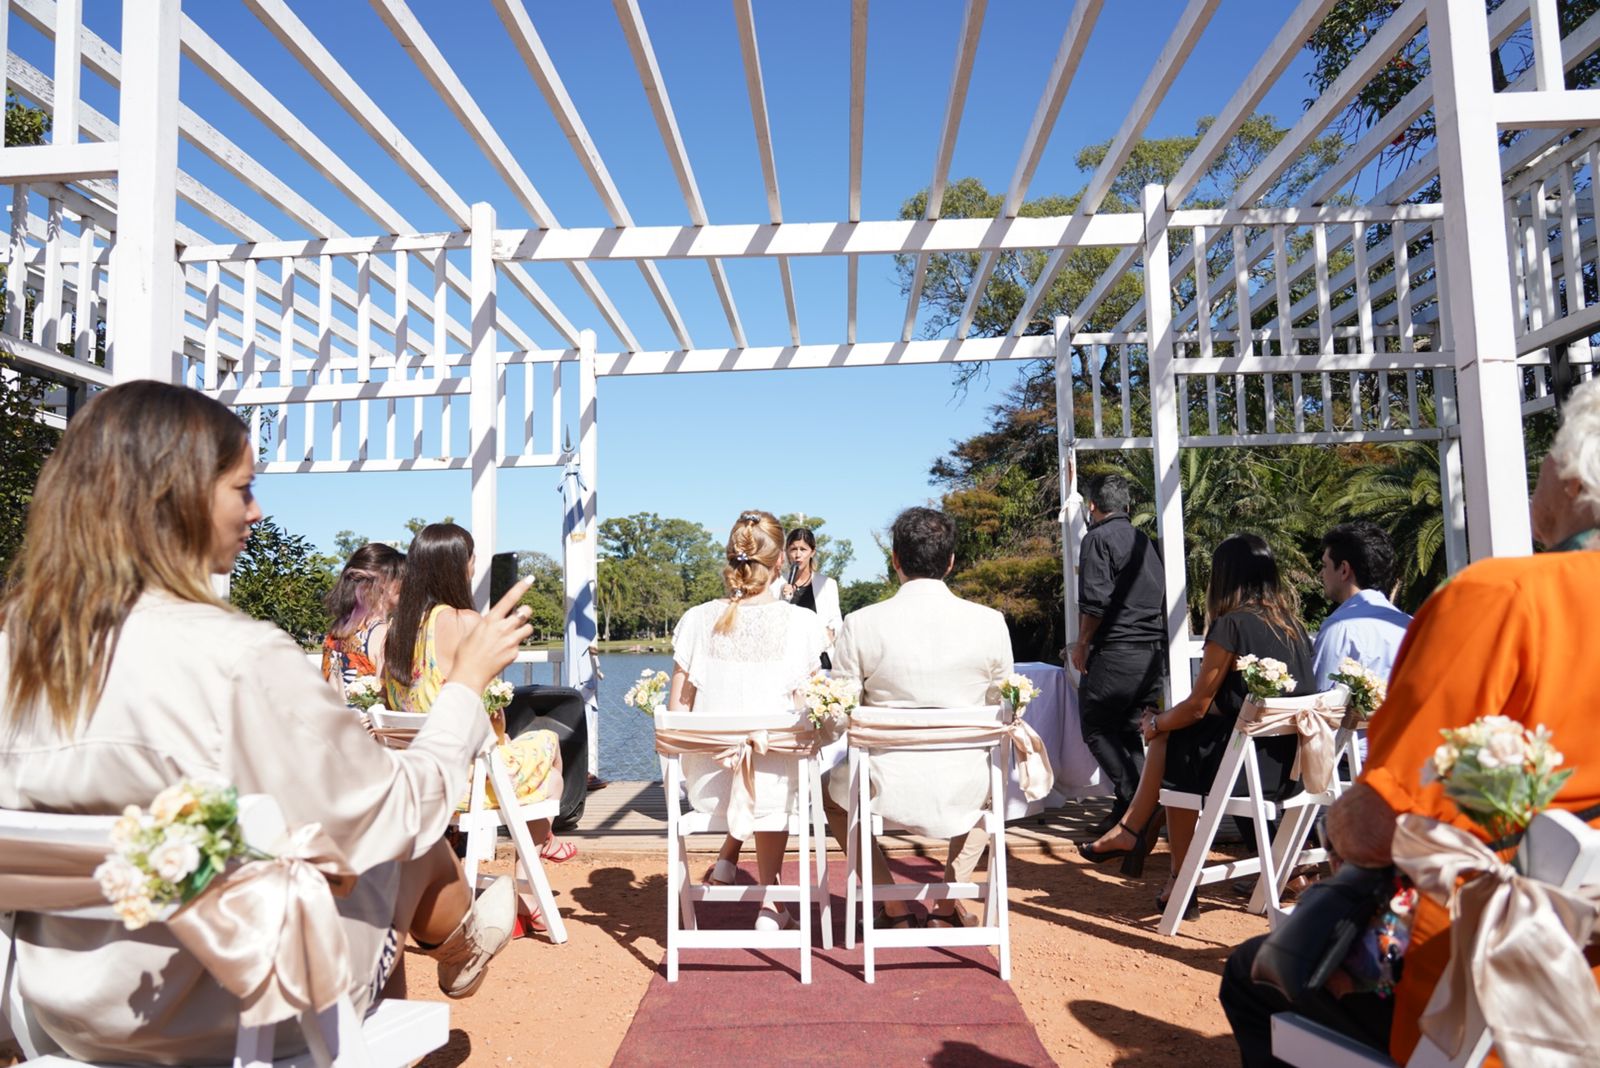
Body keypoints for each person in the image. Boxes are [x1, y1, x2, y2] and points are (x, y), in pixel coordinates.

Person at [0, 381, 531, 1063]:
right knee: (392, 845)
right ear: (178, 497)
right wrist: (465, 685)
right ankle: (456, 934)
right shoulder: (236, 657)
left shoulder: (18, 648)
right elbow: (396, 813)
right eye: (243, 489)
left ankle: (458, 933)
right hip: (227, 1013)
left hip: (58, 1006)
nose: (257, 511)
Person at [1220, 377, 1600, 1067]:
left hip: (1476, 991)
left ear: (1574, 480)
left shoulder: (1505, 597)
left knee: (1251, 977)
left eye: (1546, 456)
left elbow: (1378, 828)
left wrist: (1334, 830)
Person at [1078, 534, 1314, 919]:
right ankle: (1138, 835)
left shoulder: (1231, 626)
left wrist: (1155, 722)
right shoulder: (1292, 627)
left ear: (1224, 577)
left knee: (1173, 739)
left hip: (1250, 772)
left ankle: (1169, 869)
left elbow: (1197, 707)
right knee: (1176, 737)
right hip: (1292, 765)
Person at [825, 506, 1015, 928]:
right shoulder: (989, 623)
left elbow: (839, 715)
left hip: (885, 784)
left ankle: (892, 906)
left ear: (894, 560)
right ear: (950, 562)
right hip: (966, 782)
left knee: (829, 795)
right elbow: (1003, 708)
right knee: (995, 780)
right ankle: (947, 905)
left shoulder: (861, 624)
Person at [384, 523, 575, 869]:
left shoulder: (397, 630)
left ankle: (538, 858)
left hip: (415, 777)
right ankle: (528, 879)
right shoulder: (465, 622)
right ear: (460, 566)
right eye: (471, 560)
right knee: (550, 753)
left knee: (543, 772)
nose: (473, 567)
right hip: (462, 780)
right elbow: (490, 716)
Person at [668, 510, 825, 930]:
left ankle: (732, 864)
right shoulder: (802, 624)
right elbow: (806, 714)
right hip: (773, 787)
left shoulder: (696, 620)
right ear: (780, 564)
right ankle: (772, 903)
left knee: (764, 766)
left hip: (708, 786)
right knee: (775, 771)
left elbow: (676, 714)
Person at [1064, 474, 1168, 834]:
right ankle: (1137, 806)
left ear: (1093, 507)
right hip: (1152, 652)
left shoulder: (1097, 539)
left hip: (1117, 650)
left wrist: (1082, 644)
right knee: (1128, 730)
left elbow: (1094, 601)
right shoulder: (1145, 540)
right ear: (1126, 506)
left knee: (1095, 724)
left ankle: (1136, 800)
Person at [1309, 521, 1411, 689]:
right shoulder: (1410, 625)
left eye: (1325, 565)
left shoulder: (1340, 628)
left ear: (1344, 569)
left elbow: (1322, 705)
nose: (1321, 574)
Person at [321, 541, 406, 700]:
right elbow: (387, 701)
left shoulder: (337, 632)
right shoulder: (382, 633)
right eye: (400, 577)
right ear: (382, 583)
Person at [775, 526, 843, 669]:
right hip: (787, 660)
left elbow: (837, 621)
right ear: (786, 552)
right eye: (793, 549)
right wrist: (783, 596)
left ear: (812, 552)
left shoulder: (827, 584)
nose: (797, 555)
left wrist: (830, 633)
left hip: (819, 658)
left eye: (803, 549)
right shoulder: (777, 583)